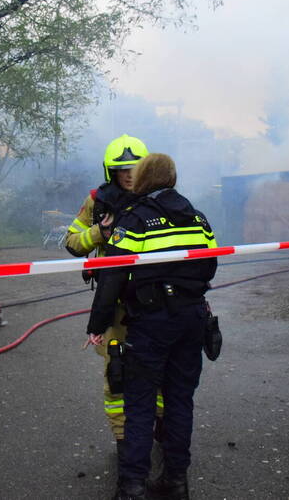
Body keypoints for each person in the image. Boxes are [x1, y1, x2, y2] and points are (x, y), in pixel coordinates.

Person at [86, 153, 218, 500]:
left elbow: (112, 275)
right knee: (180, 401)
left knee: (140, 403)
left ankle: (132, 487)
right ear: (172, 178)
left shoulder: (135, 219)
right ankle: (175, 482)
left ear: (144, 178)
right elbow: (210, 266)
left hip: (152, 322)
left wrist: (97, 325)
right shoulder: (198, 217)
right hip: (191, 319)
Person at [65, 134, 161, 451]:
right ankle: (123, 440)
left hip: (154, 300)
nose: (129, 175)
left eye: (135, 168)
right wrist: (99, 232)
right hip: (115, 302)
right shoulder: (98, 202)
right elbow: (72, 242)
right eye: (122, 170)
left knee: (158, 368)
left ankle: (160, 427)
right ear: (111, 172)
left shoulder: (160, 199)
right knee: (116, 370)